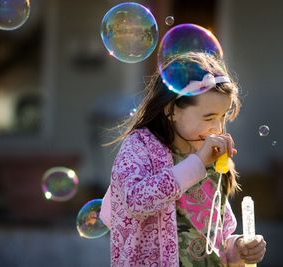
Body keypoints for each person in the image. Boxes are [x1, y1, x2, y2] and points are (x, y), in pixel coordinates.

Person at [99, 52, 266, 266]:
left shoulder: (214, 163)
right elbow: (135, 201)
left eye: (223, 117)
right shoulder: (140, 146)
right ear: (171, 110)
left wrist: (239, 247)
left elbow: (218, 241)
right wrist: (197, 163)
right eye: (209, 117)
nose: (218, 128)